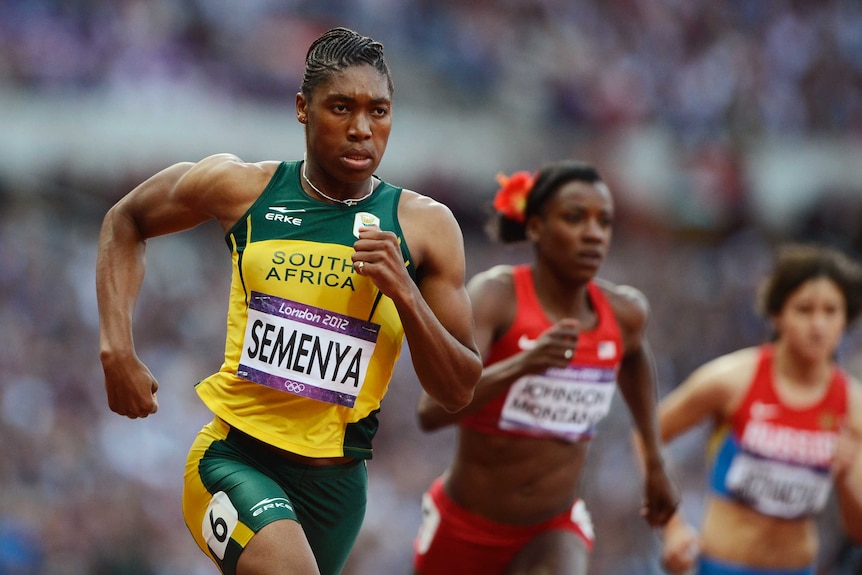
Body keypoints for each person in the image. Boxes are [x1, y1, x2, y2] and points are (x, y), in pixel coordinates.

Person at [95, 27, 482, 575]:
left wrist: (405, 291)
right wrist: (116, 349)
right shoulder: (243, 189)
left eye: (379, 111)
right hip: (234, 457)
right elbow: (125, 219)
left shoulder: (425, 227)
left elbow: (458, 389)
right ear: (303, 108)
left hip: (338, 487)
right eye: (341, 108)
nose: (361, 130)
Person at [411, 160, 680, 575]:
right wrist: (525, 364)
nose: (593, 233)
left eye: (604, 222)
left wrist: (656, 463)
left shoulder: (624, 313)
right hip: (464, 527)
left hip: (553, 528)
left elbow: (634, 357)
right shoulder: (496, 297)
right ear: (535, 227)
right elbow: (431, 412)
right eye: (575, 218)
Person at [639, 243, 862, 575]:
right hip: (722, 565)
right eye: (804, 310)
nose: (818, 325)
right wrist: (672, 528)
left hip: (797, 568)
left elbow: (857, 531)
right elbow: (647, 436)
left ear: (846, 320)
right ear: (777, 315)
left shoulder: (852, 404)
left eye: (831, 311)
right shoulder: (731, 381)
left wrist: (845, 479)